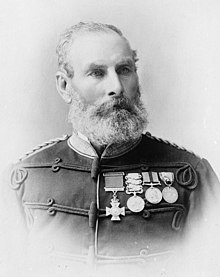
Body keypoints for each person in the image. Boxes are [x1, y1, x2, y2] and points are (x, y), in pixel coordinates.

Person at [2, 22, 220, 277]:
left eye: (124, 70)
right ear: (64, 86)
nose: (116, 86)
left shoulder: (190, 175)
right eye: (97, 73)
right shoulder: (23, 179)